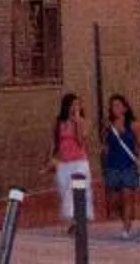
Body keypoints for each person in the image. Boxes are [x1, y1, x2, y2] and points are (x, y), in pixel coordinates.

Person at [101, 93, 140, 233]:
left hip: (128, 166)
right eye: (113, 106)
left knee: (127, 196)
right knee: (114, 200)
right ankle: (124, 218)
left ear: (125, 108)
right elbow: (105, 147)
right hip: (112, 165)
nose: (115, 108)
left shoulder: (134, 125)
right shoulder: (108, 126)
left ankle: (126, 229)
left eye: (118, 105)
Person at [53, 92, 94, 229]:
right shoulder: (59, 122)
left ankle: (77, 221)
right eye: (72, 105)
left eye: (77, 105)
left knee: (75, 191)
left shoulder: (83, 122)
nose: (75, 107)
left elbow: (81, 141)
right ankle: (72, 221)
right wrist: (50, 159)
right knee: (65, 191)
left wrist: (77, 122)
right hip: (64, 163)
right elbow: (55, 142)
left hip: (79, 163)